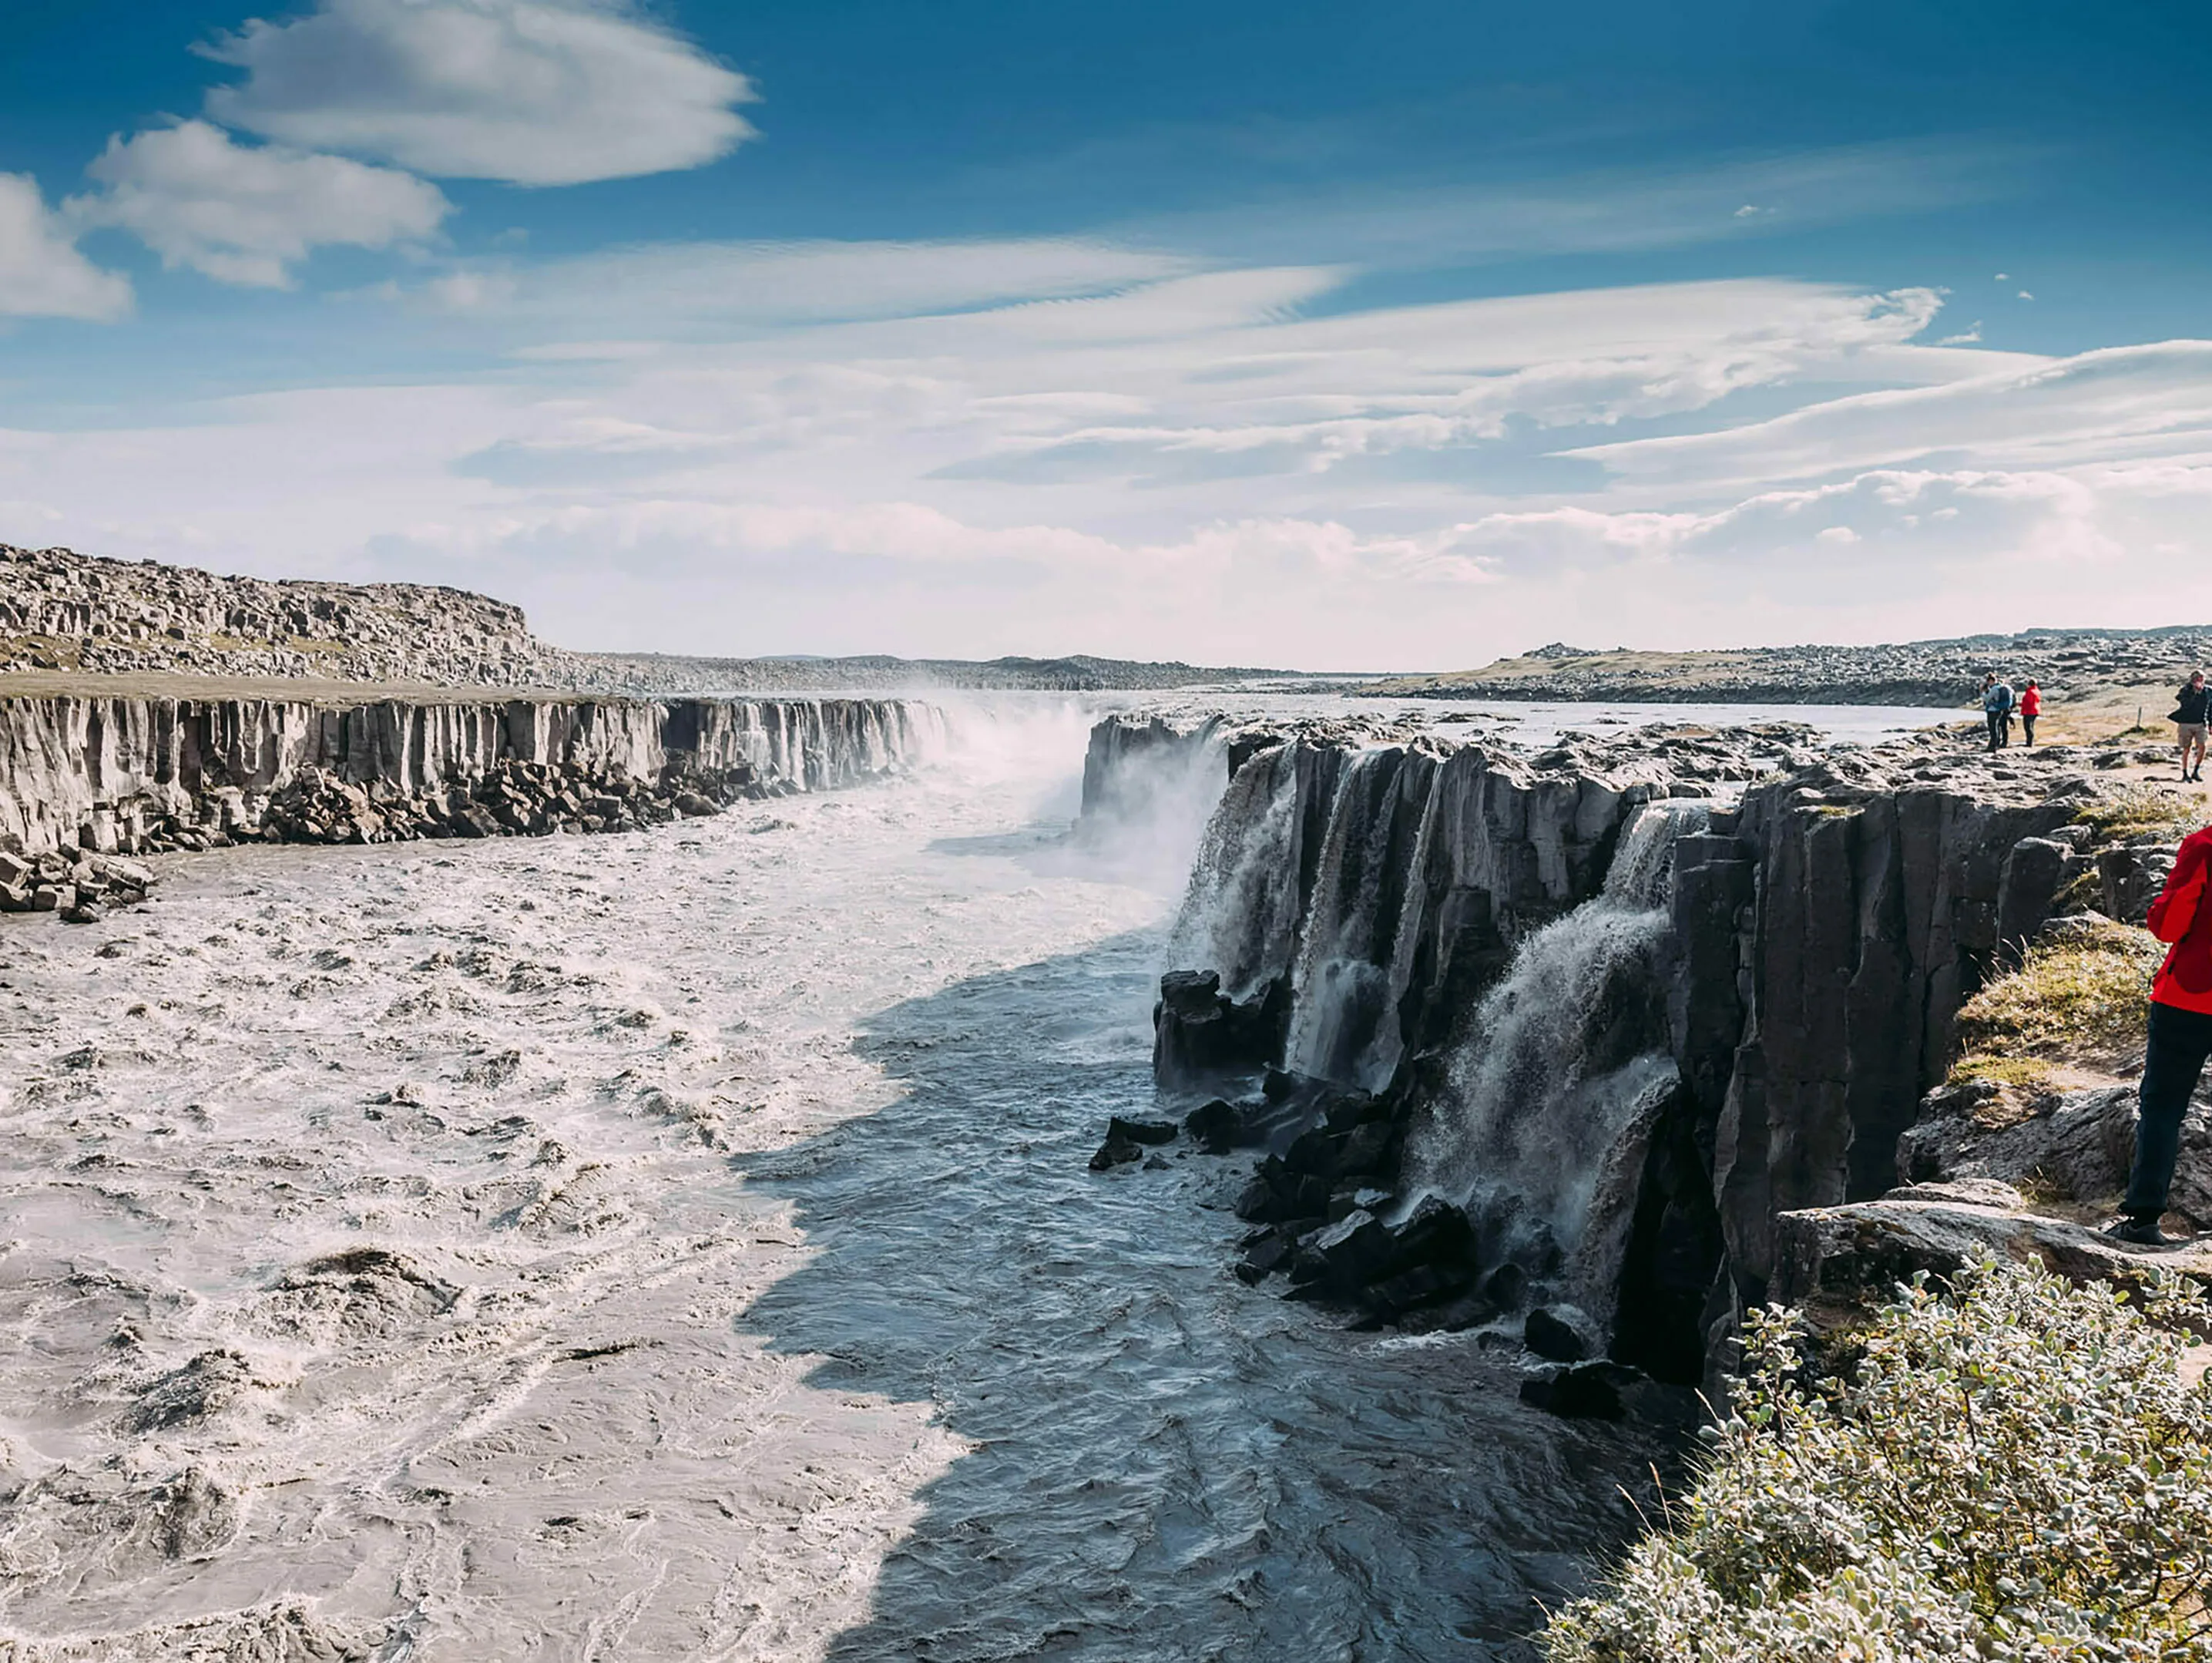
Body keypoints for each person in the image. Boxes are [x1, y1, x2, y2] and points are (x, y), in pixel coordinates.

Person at [2109, 817, 2212, 1246]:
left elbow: (2168, 924)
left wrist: (2156, 910)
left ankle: (2144, 1219)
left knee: (2163, 1109)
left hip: (2190, 995)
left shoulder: (2204, 846)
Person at [2175, 671, 2209, 782]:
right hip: (2186, 723)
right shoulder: (2185, 690)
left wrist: (2211, 724)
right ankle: (2185, 773)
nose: (2200, 680)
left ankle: (2196, 771)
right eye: (2198, 678)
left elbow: (2211, 708)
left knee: (2202, 747)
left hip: (2201, 723)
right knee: (2186, 748)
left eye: (2202, 678)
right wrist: (2194, 693)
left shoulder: (2208, 691)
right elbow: (2185, 704)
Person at [1981, 673, 2014, 753]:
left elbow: (1987, 699)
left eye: (1988, 682)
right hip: (1999, 710)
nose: (1988, 684)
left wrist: (1983, 692)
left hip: (1993, 710)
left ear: (1991, 681)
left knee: (1993, 729)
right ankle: (1996, 744)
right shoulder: (2001, 687)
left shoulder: (1995, 689)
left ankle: (1993, 746)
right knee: (1997, 728)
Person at [2019, 679, 2042, 746]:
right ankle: (2030, 742)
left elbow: (2028, 703)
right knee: (2031, 726)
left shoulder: (2030, 692)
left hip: (2029, 711)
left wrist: (2020, 704)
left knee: (2028, 727)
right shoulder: (2037, 691)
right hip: (2035, 710)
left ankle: (2029, 743)